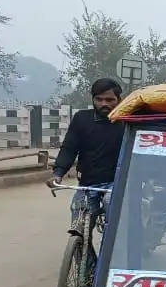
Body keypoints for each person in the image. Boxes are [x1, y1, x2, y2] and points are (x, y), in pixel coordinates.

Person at [50, 78, 125, 224]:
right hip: (87, 183)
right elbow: (69, 148)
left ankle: (111, 247)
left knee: (115, 216)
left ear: (119, 100)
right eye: (99, 99)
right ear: (93, 99)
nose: (104, 104)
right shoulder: (82, 119)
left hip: (116, 184)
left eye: (110, 100)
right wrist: (58, 174)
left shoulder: (127, 121)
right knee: (78, 217)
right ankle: (82, 246)